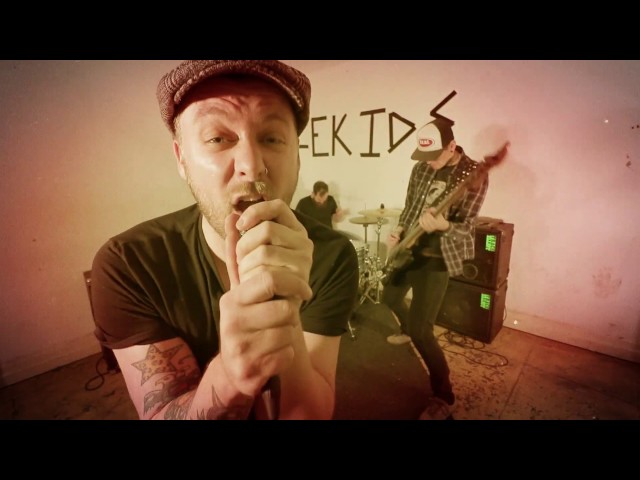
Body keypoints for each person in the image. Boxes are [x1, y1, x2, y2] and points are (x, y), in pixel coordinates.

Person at [90, 60, 359, 420]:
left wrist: (286, 313)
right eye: (218, 138)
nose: (252, 164)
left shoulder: (333, 255)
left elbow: (310, 412)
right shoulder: (128, 264)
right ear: (182, 159)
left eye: (272, 138)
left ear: (297, 156)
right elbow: (160, 412)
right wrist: (232, 374)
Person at [382, 116, 508, 420]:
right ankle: (406, 329)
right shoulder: (421, 167)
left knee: (422, 330)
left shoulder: (472, 174)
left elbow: (467, 228)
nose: (430, 162)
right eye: (425, 156)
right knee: (389, 297)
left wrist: (443, 225)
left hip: (438, 257)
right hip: (409, 249)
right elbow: (410, 206)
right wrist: (399, 230)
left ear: (451, 146)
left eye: (435, 155)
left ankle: (444, 394)